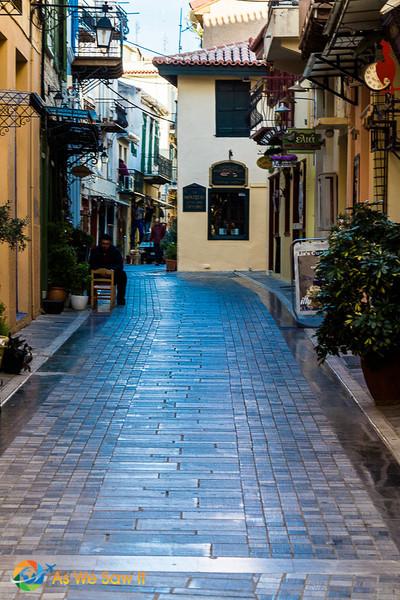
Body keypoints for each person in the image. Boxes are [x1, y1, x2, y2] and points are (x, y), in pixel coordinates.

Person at [89, 234, 127, 305]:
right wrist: (100, 270)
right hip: (98, 274)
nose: (105, 246)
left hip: (112, 274)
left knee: (123, 275)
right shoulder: (95, 250)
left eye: (107, 244)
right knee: (88, 275)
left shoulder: (115, 251)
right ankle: (90, 299)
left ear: (110, 244)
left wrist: (109, 270)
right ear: (100, 243)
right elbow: (91, 263)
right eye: (103, 243)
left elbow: (119, 265)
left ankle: (120, 299)